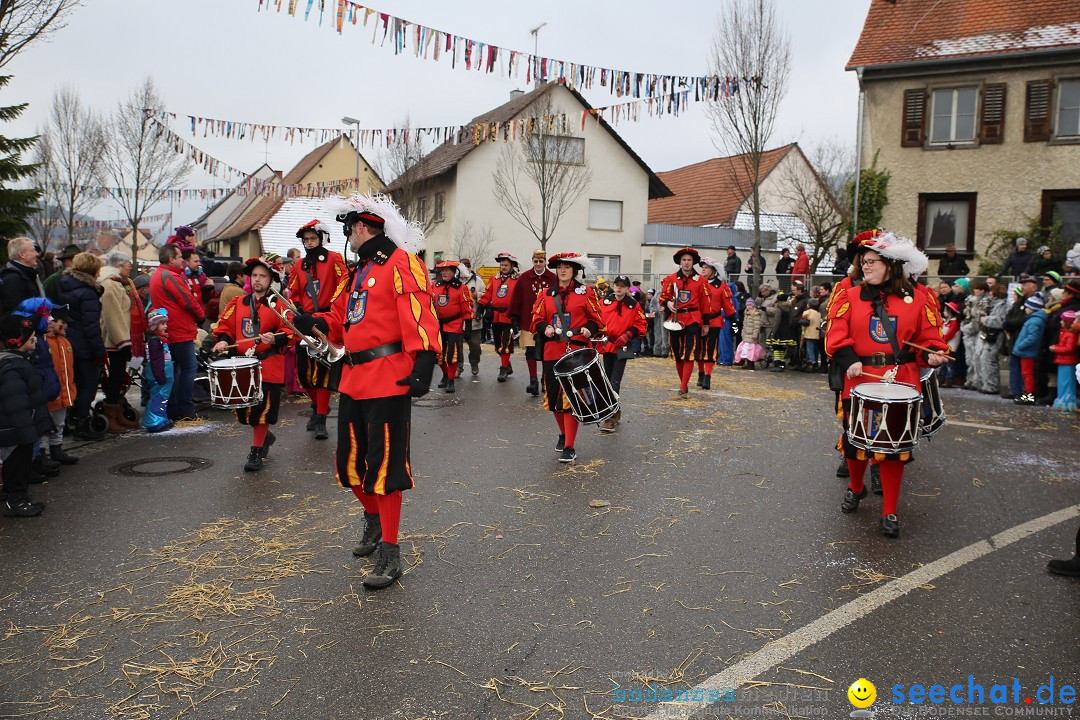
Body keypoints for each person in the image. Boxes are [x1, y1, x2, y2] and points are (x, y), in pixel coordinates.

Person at [293, 194, 441, 591]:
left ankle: (391, 552)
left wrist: (424, 362)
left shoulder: (401, 263)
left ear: (361, 228)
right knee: (351, 464)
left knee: (386, 467)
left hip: (389, 376)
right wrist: (312, 322)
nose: (348, 238)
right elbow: (340, 320)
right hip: (355, 379)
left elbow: (419, 311)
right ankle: (374, 521)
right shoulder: (356, 274)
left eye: (349, 231)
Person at [824, 233, 948, 538]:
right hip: (860, 378)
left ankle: (890, 510)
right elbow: (835, 335)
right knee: (856, 442)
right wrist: (848, 357)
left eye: (871, 262)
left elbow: (930, 340)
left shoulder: (920, 298)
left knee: (895, 448)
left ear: (891, 265)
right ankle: (856, 488)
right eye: (862, 262)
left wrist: (932, 356)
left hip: (901, 380)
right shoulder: (849, 296)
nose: (864, 267)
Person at [212, 258, 295, 471]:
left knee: (262, 412)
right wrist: (222, 339)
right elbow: (225, 325)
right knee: (245, 414)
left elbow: (292, 331)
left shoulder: (279, 304)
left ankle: (256, 451)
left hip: (269, 365)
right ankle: (264, 436)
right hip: (243, 365)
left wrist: (275, 339)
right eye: (255, 276)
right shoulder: (238, 302)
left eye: (263, 276)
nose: (257, 280)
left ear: (271, 280)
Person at [530, 252, 604, 462]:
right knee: (554, 398)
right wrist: (545, 328)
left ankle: (570, 446)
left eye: (567, 267)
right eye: (560, 266)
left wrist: (590, 329)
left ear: (575, 270)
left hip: (577, 351)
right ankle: (563, 434)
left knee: (572, 398)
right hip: (552, 351)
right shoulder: (545, 294)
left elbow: (598, 320)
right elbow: (536, 320)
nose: (562, 270)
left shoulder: (587, 292)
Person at [286, 220, 349, 439]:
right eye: (306, 240)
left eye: (313, 239)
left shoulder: (335, 259)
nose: (310, 243)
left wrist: (332, 310)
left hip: (327, 320)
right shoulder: (298, 265)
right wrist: (298, 308)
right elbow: (293, 293)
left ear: (321, 238)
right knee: (304, 375)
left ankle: (321, 417)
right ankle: (316, 406)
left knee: (323, 373)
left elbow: (345, 285)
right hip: (304, 321)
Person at [0, 314, 53, 518]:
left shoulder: (18, 361)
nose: (36, 340)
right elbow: (16, 403)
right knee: (16, 467)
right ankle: (16, 501)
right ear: (22, 340)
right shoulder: (13, 366)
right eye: (32, 337)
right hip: (15, 431)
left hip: (18, 429)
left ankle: (18, 497)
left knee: (19, 466)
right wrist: (27, 432)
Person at [150, 243, 205, 421]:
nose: (183, 260)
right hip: (179, 329)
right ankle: (185, 407)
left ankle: (173, 407)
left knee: (176, 370)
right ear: (171, 258)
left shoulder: (158, 275)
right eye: (180, 256)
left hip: (170, 328)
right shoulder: (170, 276)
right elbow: (187, 300)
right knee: (189, 367)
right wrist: (200, 315)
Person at [58, 252, 106, 439]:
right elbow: (91, 325)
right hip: (85, 345)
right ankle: (82, 425)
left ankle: (69, 421)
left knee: (74, 384)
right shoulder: (88, 292)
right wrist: (99, 351)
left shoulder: (65, 285)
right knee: (88, 386)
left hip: (69, 342)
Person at [99, 251, 143, 432]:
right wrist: (122, 341)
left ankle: (117, 412)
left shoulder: (120, 283)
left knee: (119, 378)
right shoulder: (109, 285)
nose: (130, 267)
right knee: (114, 378)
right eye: (128, 264)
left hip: (120, 338)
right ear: (118, 265)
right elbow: (112, 315)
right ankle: (111, 415)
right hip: (113, 341)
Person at [596, 275, 646, 432]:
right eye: (617, 285)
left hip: (622, 345)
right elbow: (596, 318)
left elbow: (641, 324)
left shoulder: (633, 305)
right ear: (613, 286)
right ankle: (615, 411)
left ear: (627, 288)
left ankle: (610, 417)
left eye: (623, 286)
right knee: (607, 380)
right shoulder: (604, 302)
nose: (619, 288)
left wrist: (628, 335)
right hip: (607, 344)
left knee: (615, 381)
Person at [660, 248, 712, 396]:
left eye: (689, 260)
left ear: (693, 262)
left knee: (689, 353)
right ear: (680, 262)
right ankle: (683, 382)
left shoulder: (701, 280)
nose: (686, 263)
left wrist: (706, 323)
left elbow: (705, 303)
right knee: (677, 353)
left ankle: (683, 387)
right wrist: (668, 303)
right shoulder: (671, 279)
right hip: (676, 320)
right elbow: (663, 297)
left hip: (693, 319)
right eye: (684, 260)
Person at [508, 250, 557, 396]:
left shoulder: (553, 278)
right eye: (535, 261)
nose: (538, 264)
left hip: (548, 322)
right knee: (530, 351)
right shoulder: (524, 278)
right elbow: (516, 299)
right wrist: (514, 318)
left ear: (545, 262)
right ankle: (533, 380)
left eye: (541, 261)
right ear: (532, 261)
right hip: (528, 321)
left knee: (546, 352)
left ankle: (545, 379)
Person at [430, 260, 474, 393]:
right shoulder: (435, 286)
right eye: (442, 270)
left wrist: (468, 325)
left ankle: (450, 380)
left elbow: (467, 306)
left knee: (452, 353)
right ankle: (445, 374)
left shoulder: (461, 288)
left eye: (447, 270)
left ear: (454, 272)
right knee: (439, 353)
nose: (444, 273)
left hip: (454, 324)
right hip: (438, 324)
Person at [478, 253, 519, 382]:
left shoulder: (517, 280)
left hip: (509, 316)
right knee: (497, 346)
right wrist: (480, 308)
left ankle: (503, 369)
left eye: (506, 265)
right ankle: (507, 365)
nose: (503, 267)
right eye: (501, 265)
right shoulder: (494, 279)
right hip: (495, 316)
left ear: (512, 265)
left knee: (506, 342)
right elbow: (487, 295)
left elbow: (521, 299)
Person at [44, 307, 78, 463]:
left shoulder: (65, 342)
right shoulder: (44, 342)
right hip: (50, 392)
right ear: (51, 323)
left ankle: (57, 449)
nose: (65, 326)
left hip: (64, 390)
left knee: (59, 423)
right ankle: (43, 454)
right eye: (62, 322)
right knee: (45, 425)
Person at [696, 256, 735, 389]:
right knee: (698, 349)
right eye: (702, 267)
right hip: (699, 321)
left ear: (713, 270)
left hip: (714, 321)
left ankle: (708, 376)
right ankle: (700, 373)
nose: (703, 270)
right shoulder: (698, 283)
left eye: (706, 268)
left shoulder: (722, 286)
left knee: (710, 348)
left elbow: (728, 306)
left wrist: (735, 323)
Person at [1009, 294, 1048, 405]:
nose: (1025, 309)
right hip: (1026, 351)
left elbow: (1032, 337)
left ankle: (1029, 395)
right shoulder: (1034, 320)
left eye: (1027, 307)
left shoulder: (1035, 321)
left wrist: (1020, 345)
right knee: (1026, 374)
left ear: (1032, 308)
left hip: (1027, 352)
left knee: (1027, 374)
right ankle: (1027, 394)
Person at [142, 308, 174, 433]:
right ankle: (153, 420)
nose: (165, 326)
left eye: (165, 323)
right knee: (158, 396)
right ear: (154, 325)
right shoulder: (155, 341)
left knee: (163, 397)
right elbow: (156, 360)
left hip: (164, 371)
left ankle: (161, 418)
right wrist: (160, 375)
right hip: (160, 372)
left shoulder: (160, 339)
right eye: (162, 324)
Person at [975, 281, 1008, 395]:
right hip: (986, 334)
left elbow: (1000, 320)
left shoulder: (1002, 305)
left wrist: (985, 320)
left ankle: (991, 386)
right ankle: (984, 383)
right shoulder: (990, 303)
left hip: (995, 335)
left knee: (989, 360)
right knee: (981, 359)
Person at [457, 258, 486, 378]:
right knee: (457, 346)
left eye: (467, 266)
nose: (466, 268)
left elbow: (486, 296)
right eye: (463, 266)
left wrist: (477, 295)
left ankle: (474, 363)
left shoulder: (478, 281)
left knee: (475, 346)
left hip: (474, 319)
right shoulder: (455, 281)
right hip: (458, 321)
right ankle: (458, 366)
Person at [1049, 309, 1078, 412]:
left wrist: (1055, 348)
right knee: (1062, 382)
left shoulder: (1071, 334)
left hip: (1068, 362)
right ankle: (1063, 400)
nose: (1060, 322)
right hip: (1062, 361)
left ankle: (1067, 401)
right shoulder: (1064, 332)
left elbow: (1069, 348)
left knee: (1067, 383)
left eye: (1062, 320)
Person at [735, 298, 764, 368]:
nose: (748, 306)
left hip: (752, 335)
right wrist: (743, 333)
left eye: (750, 305)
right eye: (747, 305)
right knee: (745, 350)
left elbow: (757, 326)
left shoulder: (755, 315)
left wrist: (755, 335)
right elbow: (744, 326)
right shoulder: (746, 314)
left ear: (753, 305)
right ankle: (747, 362)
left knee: (751, 350)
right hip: (746, 335)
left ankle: (751, 364)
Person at [800, 298, 823, 372]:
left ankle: (811, 362)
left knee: (809, 349)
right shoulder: (818, 313)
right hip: (816, 334)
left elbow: (803, 320)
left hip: (808, 333)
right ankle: (815, 362)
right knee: (815, 349)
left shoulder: (807, 312)